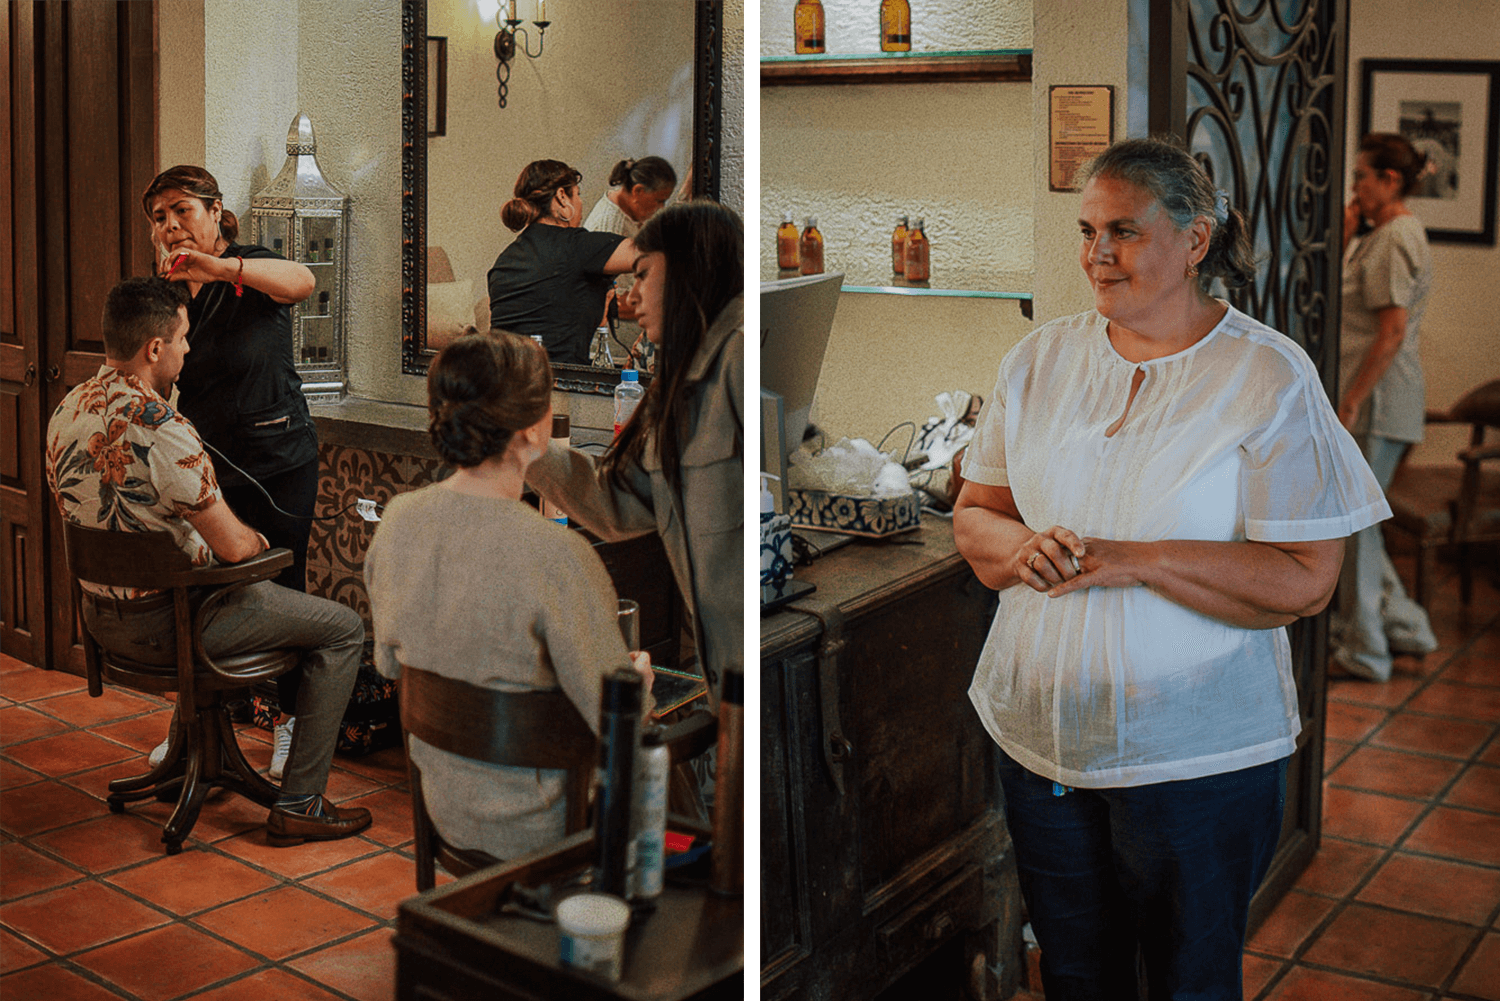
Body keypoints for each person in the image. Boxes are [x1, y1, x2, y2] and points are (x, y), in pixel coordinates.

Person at [952, 137, 1390, 999]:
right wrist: (1022, 549)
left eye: (1124, 230)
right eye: (1086, 231)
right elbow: (977, 516)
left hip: (1195, 757)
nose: (1097, 255)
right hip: (1040, 741)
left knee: (1187, 979)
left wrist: (1136, 558)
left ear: (1196, 241)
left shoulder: (1266, 375)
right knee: (1077, 973)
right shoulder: (1038, 360)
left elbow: (1306, 577)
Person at [45, 277, 371, 847]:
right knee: (343, 629)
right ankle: (299, 803)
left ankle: (187, 760)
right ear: (154, 348)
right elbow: (236, 549)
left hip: (102, 623)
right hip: (174, 628)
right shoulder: (164, 429)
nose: (188, 350)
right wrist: (262, 546)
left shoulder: (65, 411)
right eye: (183, 338)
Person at [363, 331, 652, 860]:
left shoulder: (398, 521)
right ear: (537, 430)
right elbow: (617, 716)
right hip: (541, 829)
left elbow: (387, 662)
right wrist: (640, 682)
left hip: (443, 810)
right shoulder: (556, 554)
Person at [524, 201, 744, 710]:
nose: (632, 294)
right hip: (721, 674)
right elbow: (621, 501)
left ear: (688, 269)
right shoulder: (677, 377)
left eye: (644, 274)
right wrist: (529, 449)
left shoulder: (735, 357)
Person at [141, 165, 319, 779]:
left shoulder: (252, 265)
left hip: (282, 459)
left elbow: (304, 281)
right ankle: (195, 725)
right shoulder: (162, 293)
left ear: (216, 212)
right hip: (205, 466)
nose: (169, 225)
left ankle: (290, 724)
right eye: (158, 217)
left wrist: (218, 268)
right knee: (206, 594)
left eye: (181, 210)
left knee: (285, 594)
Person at [1331, 132, 1440, 681]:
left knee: (1353, 526)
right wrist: (1348, 235)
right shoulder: (1381, 234)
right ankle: (1404, 628)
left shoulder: (1396, 235)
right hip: (1373, 398)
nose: (1353, 188)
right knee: (1362, 527)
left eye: (1360, 177)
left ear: (1389, 180)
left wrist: (1351, 400)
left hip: (1376, 401)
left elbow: (1391, 332)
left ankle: (1366, 650)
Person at [487, 159, 638, 366]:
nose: (580, 203)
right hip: (560, 387)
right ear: (561, 197)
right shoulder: (578, 247)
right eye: (578, 194)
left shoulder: (504, 260)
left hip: (501, 383)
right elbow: (657, 253)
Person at [582, 156, 679, 371]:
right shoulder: (609, 225)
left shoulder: (628, 214)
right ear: (637, 192)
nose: (661, 207)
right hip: (600, 351)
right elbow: (604, 301)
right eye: (659, 200)